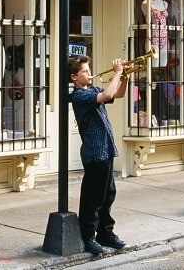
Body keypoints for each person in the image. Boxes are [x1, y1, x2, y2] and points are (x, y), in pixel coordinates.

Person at [69, 55, 129, 255]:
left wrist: (125, 77)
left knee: (108, 194)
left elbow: (117, 94)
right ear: (74, 77)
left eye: (88, 70)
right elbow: (106, 94)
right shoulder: (78, 96)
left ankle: (105, 232)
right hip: (94, 152)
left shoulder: (92, 89)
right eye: (85, 71)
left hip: (106, 149)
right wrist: (118, 72)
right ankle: (88, 236)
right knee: (93, 198)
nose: (89, 73)